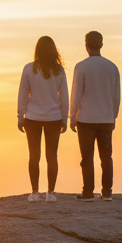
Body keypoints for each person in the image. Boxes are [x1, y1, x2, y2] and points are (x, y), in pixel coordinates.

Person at [70, 30, 121, 201]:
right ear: (101, 45)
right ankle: (106, 192)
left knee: (87, 157)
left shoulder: (81, 66)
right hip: (106, 118)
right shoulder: (112, 67)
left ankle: (88, 192)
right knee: (106, 157)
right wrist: (113, 115)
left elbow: (76, 94)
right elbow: (116, 95)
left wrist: (72, 117)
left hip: (86, 119)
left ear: (86, 46)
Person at [17, 36, 69, 202]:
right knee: (52, 156)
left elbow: (23, 94)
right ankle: (51, 193)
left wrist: (20, 115)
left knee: (34, 155)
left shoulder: (29, 69)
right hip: (54, 117)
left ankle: (34, 192)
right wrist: (64, 117)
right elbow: (64, 97)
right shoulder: (59, 70)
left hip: (32, 117)